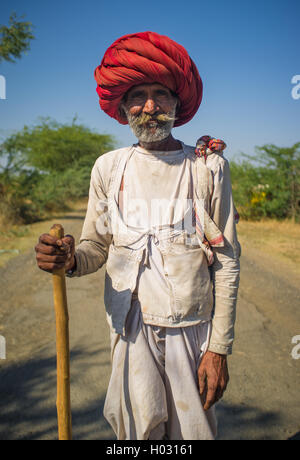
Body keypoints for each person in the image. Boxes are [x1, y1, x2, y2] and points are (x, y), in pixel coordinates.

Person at [35, 31, 241, 440]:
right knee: (135, 434)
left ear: (178, 103)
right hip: (128, 328)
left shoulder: (206, 168)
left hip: (191, 330)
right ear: (123, 106)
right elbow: (95, 246)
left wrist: (218, 348)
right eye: (138, 95)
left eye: (160, 93)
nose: (149, 106)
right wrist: (70, 259)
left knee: (192, 435)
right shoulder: (109, 168)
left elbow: (227, 262)